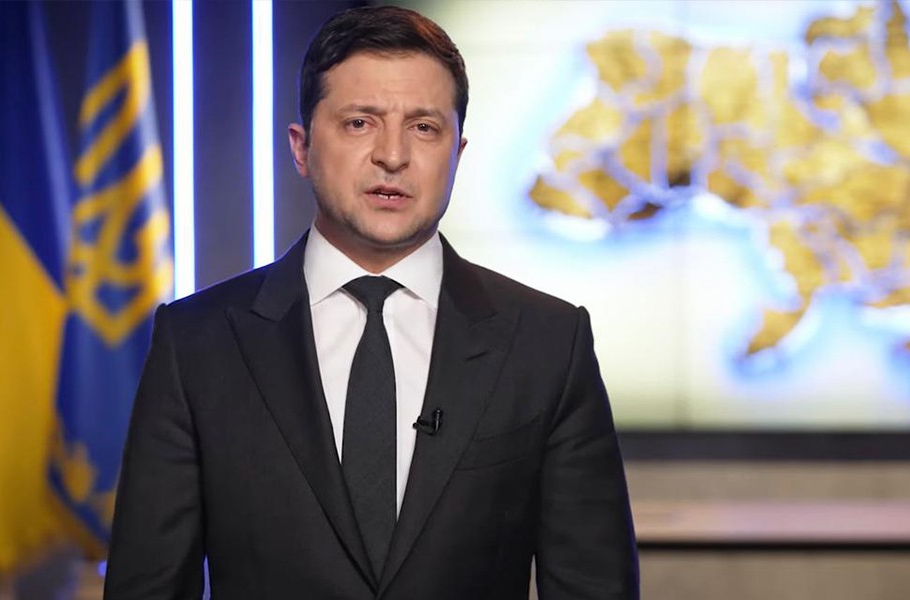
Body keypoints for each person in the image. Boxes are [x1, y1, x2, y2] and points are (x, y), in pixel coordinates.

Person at [103, 6, 638, 599]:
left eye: (424, 128)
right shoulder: (197, 345)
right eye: (360, 123)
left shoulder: (547, 344)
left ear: (457, 153)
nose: (393, 155)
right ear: (301, 147)